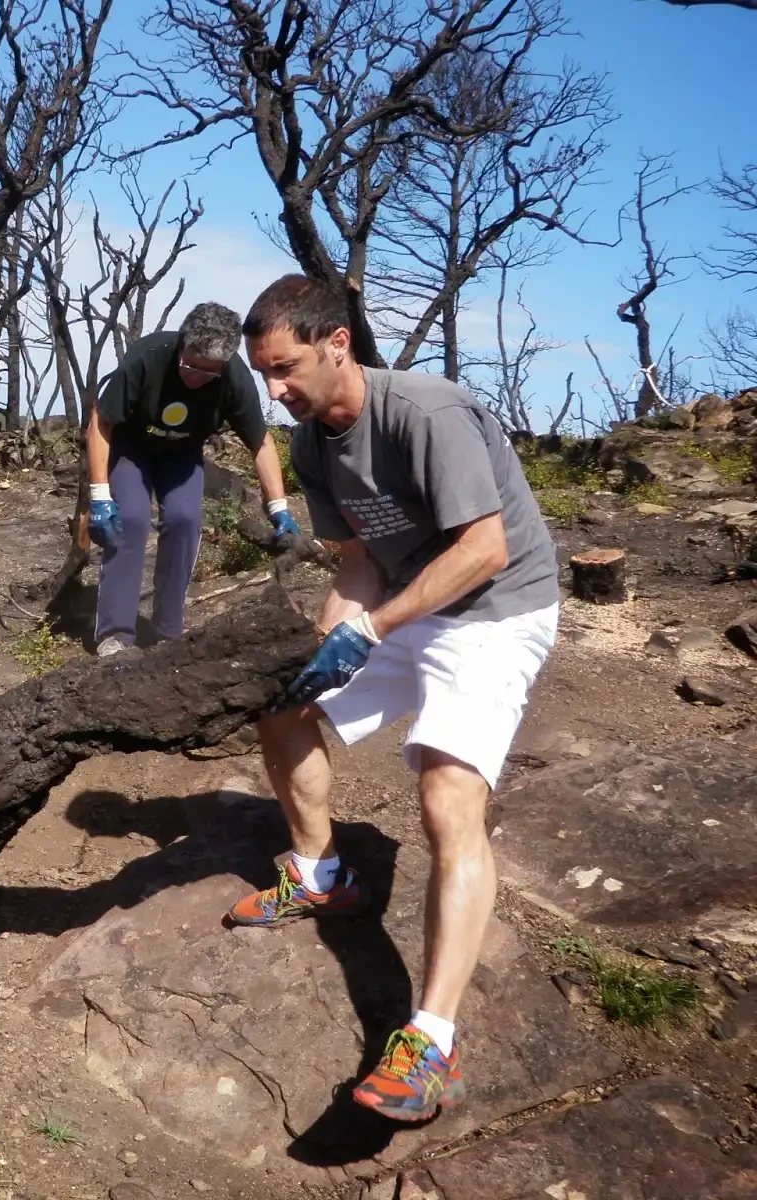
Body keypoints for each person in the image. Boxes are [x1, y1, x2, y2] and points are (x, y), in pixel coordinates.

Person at [226, 275, 559, 1122]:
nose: (274, 390)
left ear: (337, 344)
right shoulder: (309, 441)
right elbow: (360, 561)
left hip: (496, 608)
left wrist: (369, 633)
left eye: (285, 368)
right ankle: (319, 872)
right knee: (284, 706)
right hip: (408, 598)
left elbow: (483, 549)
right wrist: (325, 646)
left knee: (448, 794)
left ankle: (430, 1041)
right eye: (264, 374)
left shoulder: (426, 412)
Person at [86, 302, 300, 656]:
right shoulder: (148, 357)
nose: (197, 376)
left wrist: (278, 507)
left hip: (182, 452)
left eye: (209, 371)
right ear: (182, 345)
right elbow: (102, 422)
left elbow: (259, 442)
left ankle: (168, 630)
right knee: (132, 520)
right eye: (190, 365)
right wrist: (99, 495)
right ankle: (116, 634)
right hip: (130, 447)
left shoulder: (233, 378)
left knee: (185, 521)